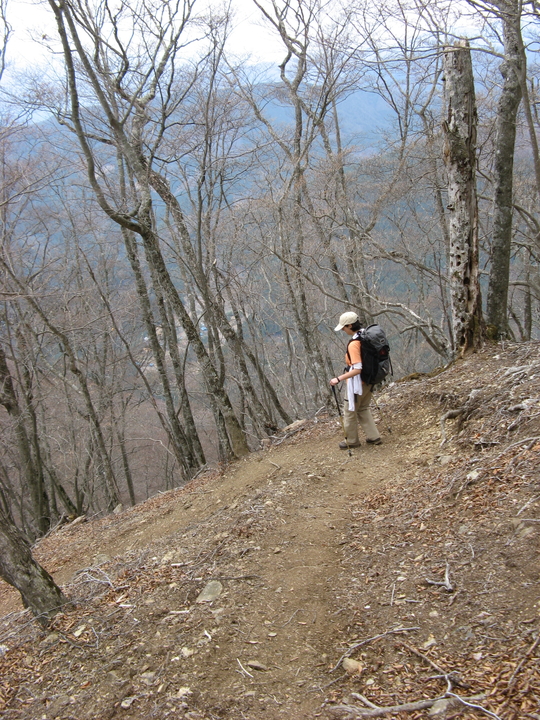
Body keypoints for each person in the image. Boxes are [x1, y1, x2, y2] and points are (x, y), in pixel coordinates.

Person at [329, 311, 382, 449]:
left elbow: (357, 369)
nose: (343, 330)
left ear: (350, 325)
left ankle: (352, 441)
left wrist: (338, 379)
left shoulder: (354, 344)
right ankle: (374, 436)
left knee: (349, 412)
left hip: (358, 383)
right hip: (370, 380)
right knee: (363, 408)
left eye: (344, 327)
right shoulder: (366, 335)